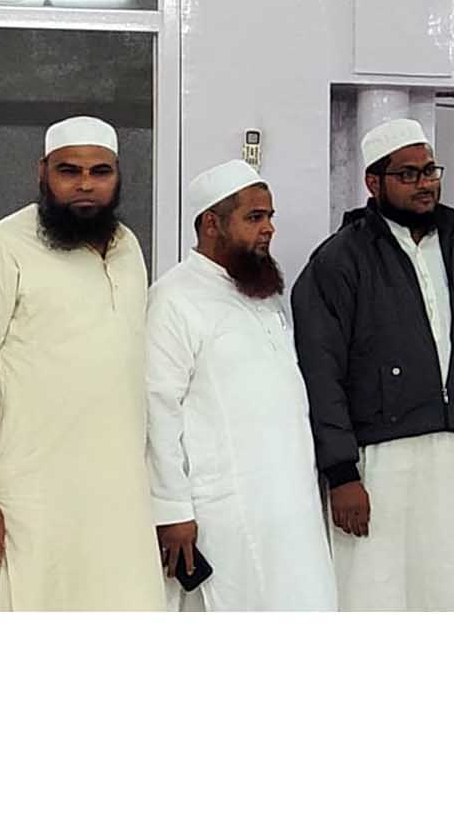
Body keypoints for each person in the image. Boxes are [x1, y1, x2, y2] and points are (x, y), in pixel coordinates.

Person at [0, 115, 163, 611]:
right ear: (42, 172)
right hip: (31, 494)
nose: (85, 184)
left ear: (118, 176)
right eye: (69, 170)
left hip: (120, 491)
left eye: (100, 171)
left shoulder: (127, 248)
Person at [292, 117, 454, 611]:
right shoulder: (339, 260)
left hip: (453, 457)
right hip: (376, 463)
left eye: (430, 171)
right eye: (408, 174)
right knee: (376, 595)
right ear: (374, 182)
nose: (425, 183)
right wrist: (341, 472)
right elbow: (321, 372)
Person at [144, 159, 337, 611]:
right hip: (225, 510)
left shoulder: (262, 294)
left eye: (269, 216)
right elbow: (157, 410)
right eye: (254, 217)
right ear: (212, 224)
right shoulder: (173, 299)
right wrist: (172, 510)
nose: (269, 228)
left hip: (291, 503)